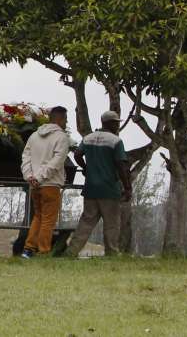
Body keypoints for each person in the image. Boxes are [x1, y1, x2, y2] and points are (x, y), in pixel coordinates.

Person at [66, 111, 132, 257]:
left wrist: (85, 168)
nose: (117, 125)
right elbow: (121, 165)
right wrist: (127, 187)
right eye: (116, 122)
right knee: (112, 224)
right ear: (110, 123)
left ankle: (71, 251)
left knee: (86, 222)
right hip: (109, 189)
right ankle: (112, 253)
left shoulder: (88, 138)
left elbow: (77, 154)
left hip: (90, 188)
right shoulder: (115, 141)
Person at [19, 106, 72, 258]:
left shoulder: (34, 136)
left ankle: (28, 249)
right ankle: (43, 251)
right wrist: (41, 176)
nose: (66, 123)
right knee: (49, 220)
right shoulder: (61, 137)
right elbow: (57, 161)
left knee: (38, 217)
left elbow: (26, 158)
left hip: (34, 184)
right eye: (65, 119)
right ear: (60, 119)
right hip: (50, 183)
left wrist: (30, 176)